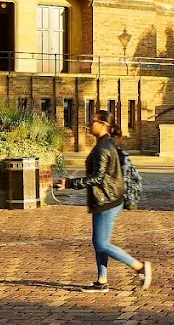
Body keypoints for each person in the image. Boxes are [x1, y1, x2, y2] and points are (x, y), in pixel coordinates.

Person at [58, 110, 151, 293]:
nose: (88, 125)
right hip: (106, 199)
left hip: (106, 201)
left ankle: (139, 267)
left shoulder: (103, 147)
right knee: (99, 242)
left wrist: (70, 183)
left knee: (102, 244)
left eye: (92, 121)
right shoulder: (107, 143)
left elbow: (97, 178)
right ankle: (101, 281)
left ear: (102, 124)